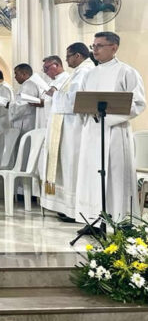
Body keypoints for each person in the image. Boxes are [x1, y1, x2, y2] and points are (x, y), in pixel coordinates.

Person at [76, 32, 145, 224]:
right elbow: (82, 101)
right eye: (93, 46)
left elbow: (138, 103)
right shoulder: (89, 74)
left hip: (115, 132)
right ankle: (95, 220)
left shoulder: (127, 72)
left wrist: (109, 118)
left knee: (115, 176)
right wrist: (87, 114)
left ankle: (119, 220)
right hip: (92, 131)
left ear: (114, 48)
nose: (95, 50)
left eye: (99, 46)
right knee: (92, 176)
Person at [40, 43, 96, 221]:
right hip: (68, 126)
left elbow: (75, 100)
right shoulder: (79, 72)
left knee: (72, 167)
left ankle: (74, 210)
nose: (67, 60)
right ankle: (68, 207)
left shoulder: (84, 71)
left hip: (74, 128)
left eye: (68, 57)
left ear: (78, 56)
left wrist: (55, 95)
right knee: (67, 167)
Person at [9, 64, 45, 137]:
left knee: (26, 146)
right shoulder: (29, 84)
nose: (15, 77)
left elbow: (22, 105)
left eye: (16, 74)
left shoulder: (28, 84)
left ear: (24, 74)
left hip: (26, 124)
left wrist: (9, 105)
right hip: (26, 122)